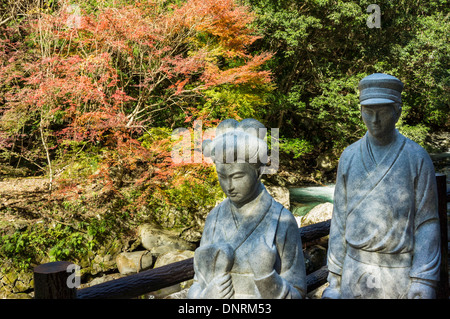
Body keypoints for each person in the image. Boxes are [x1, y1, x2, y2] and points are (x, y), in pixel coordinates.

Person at [322, 73, 441, 299]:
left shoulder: (416, 158)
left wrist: (423, 279)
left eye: (383, 112)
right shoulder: (349, 157)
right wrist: (335, 279)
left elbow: (427, 222)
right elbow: (339, 220)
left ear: (398, 112)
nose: (375, 120)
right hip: (354, 267)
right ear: (361, 112)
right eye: (368, 112)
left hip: (399, 270)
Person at [187, 118, 306, 299]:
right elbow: (198, 281)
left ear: (258, 172)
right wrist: (204, 296)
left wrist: (267, 279)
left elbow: (298, 293)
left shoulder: (281, 220)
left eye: (238, 176)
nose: (229, 186)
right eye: (222, 176)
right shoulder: (214, 218)